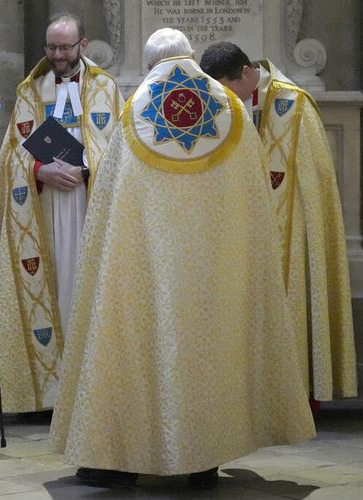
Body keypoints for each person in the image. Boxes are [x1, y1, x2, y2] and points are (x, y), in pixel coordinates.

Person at [49, 28, 316, 489]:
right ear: (190, 56)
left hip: (144, 265)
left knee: (132, 348)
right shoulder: (230, 108)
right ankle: (203, 459)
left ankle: (119, 460)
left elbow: (113, 198)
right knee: (207, 350)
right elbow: (250, 195)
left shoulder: (136, 111)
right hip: (214, 269)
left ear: (153, 63)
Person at [0, 12, 123, 415]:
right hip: (42, 210)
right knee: (51, 290)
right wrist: (39, 169)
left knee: (84, 290)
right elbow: (10, 160)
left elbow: (120, 154)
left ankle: (93, 390)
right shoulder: (31, 91)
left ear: (82, 46)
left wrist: (87, 171)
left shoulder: (107, 89)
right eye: (50, 47)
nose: (56, 55)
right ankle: (46, 395)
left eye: (64, 47)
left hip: (89, 206)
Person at [200, 42, 358, 404]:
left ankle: (294, 393)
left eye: (227, 87)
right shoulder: (218, 100)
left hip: (284, 229)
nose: (224, 97)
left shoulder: (295, 105)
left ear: (246, 72)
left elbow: (314, 183)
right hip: (236, 224)